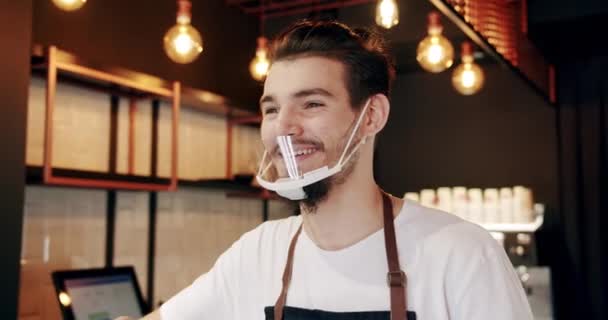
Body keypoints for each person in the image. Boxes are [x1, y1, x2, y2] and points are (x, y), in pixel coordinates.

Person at [119, 20, 533, 320]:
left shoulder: (462, 256)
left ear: (371, 116)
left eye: (312, 103)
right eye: (271, 109)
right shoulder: (257, 253)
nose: (283, 127)